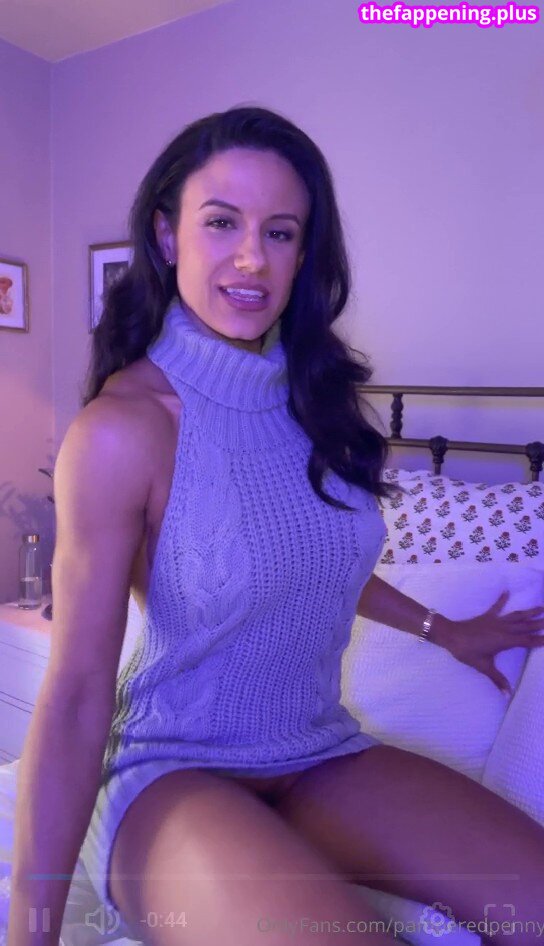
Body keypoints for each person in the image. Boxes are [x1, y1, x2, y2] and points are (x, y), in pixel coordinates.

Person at [7, 105, 544, 946]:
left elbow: (312, 564)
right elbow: (76, 695)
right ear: (167, 234)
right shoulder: (124, 430)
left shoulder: (316, 404)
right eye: (222, 222)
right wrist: (29, 930)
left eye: (280, 232)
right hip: (169, 775)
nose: (253, 258)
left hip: (319, 753)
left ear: (304, 252)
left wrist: (444, 630)